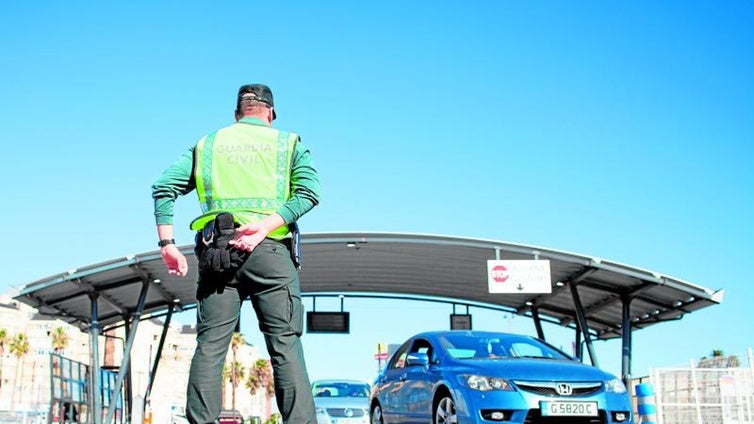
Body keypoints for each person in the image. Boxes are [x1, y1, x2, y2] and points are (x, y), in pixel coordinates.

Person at [151, 83, 321, 424]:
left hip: (217, 254)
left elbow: (163, 187)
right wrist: (264, 226)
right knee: (285, 346)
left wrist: (167, 244)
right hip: (271, 252)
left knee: (211, 346)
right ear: (270, 114)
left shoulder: (208, 145)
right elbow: (309, 193)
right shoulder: (287, 143)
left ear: (236, 115)